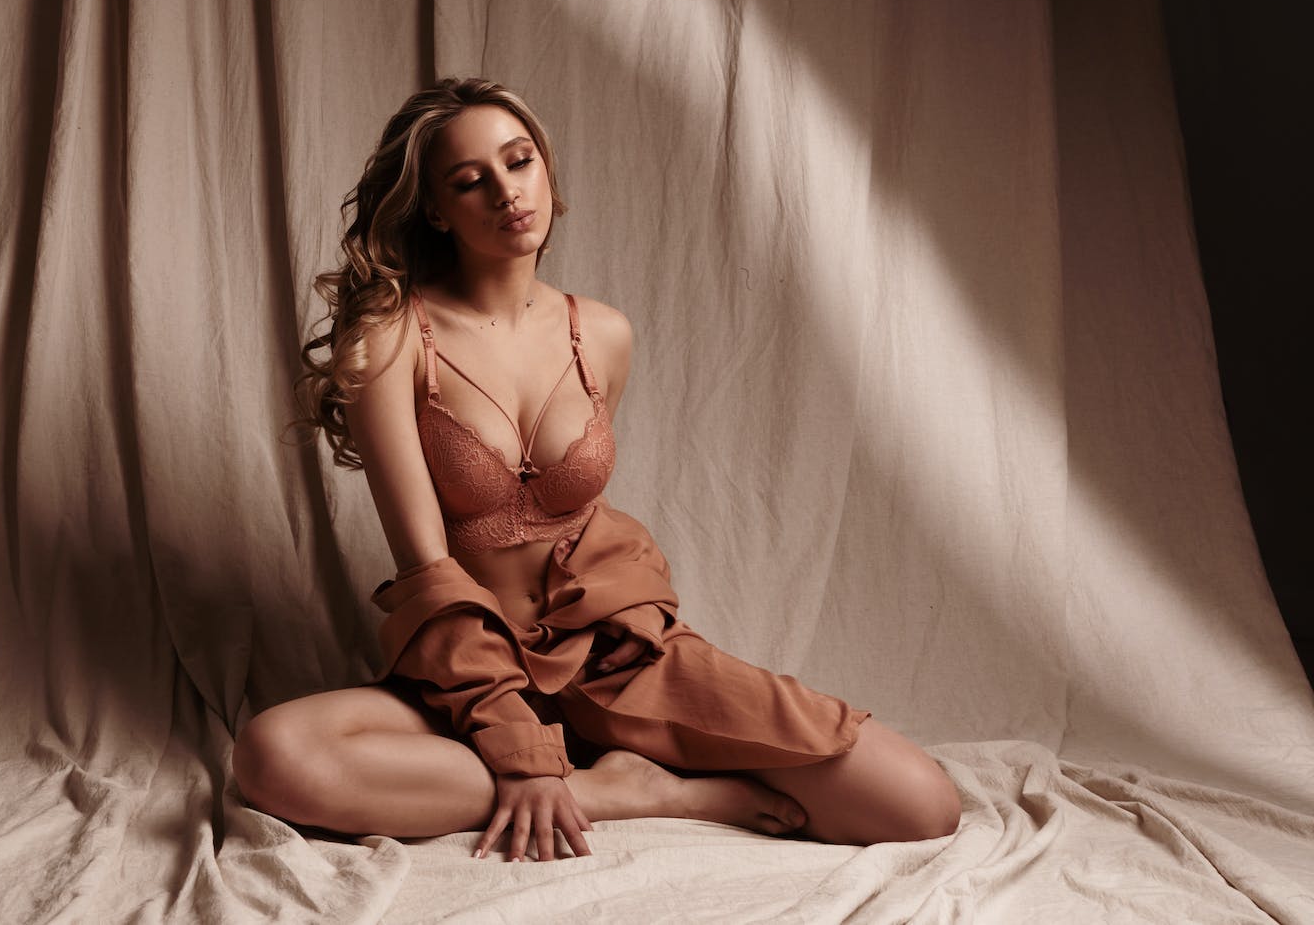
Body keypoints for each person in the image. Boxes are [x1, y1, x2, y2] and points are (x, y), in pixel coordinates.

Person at [235, 78, 961, 863]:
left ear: (547, 171)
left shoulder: (603, 332)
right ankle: (623, 791)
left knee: (921, 804)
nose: (506, 191)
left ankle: (593, 753)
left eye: (519, 163)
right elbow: (428, 570)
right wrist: (518, 748)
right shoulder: (391, 340)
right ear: (437, 209)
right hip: (471, 669)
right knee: (274, 757)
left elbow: (584, 511)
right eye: (470, 180)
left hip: (618, 653)